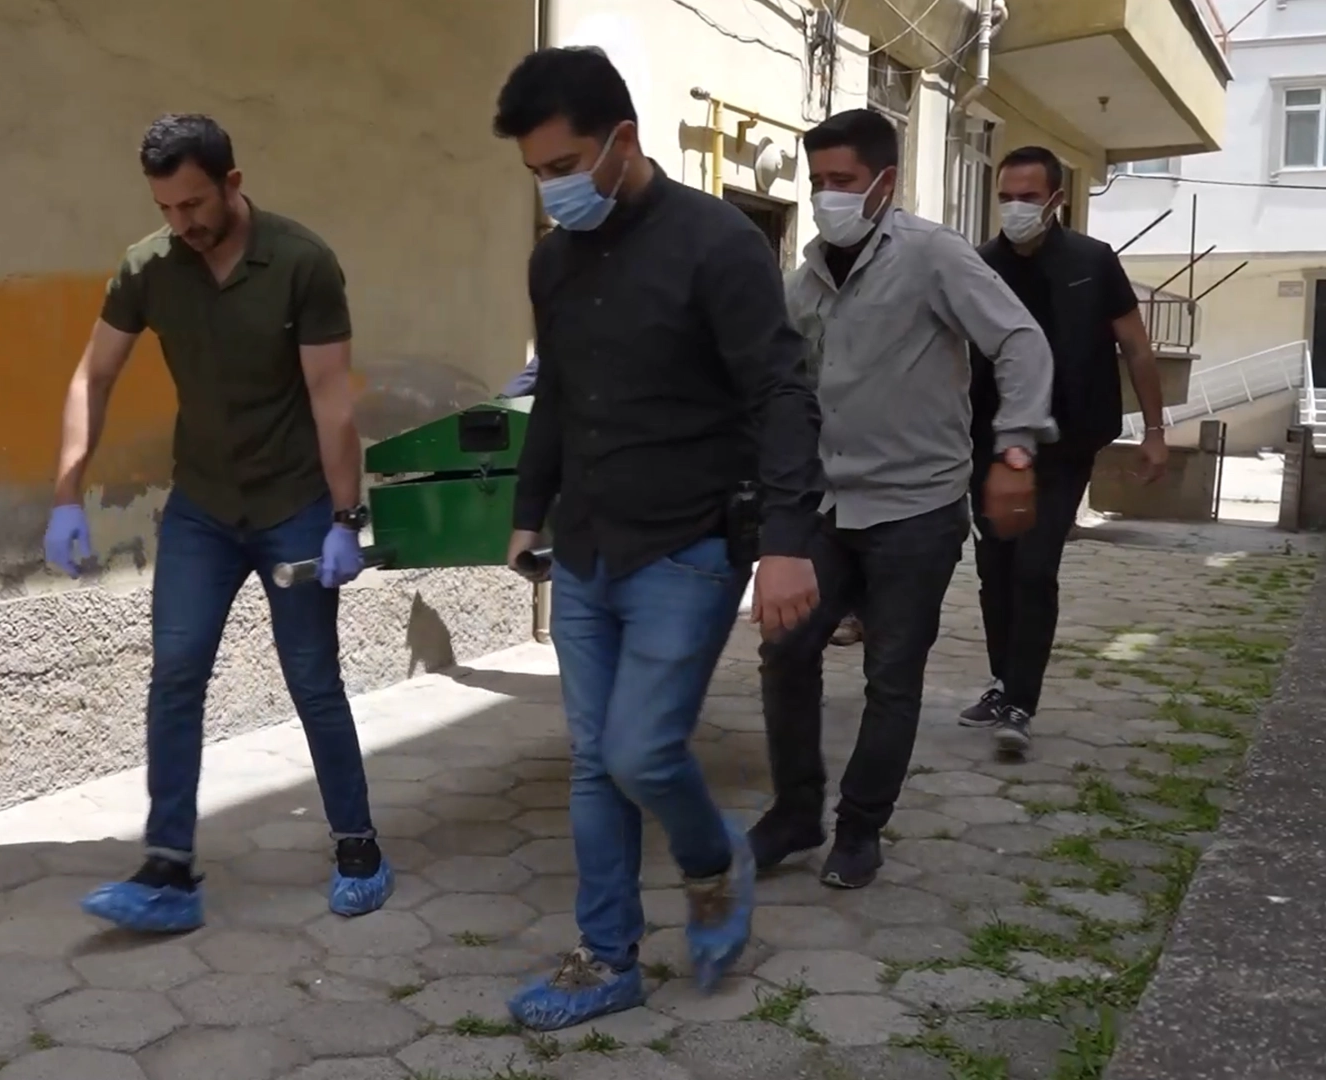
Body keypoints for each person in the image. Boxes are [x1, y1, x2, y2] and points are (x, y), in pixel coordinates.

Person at [493, 47, 824, 1030]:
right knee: (595, 760)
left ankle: (714, 860)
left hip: (687, 546)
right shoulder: (553, 261)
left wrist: (787, 541)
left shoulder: (718, 245)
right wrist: (527, 509)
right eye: (536, 173)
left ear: (623, 141)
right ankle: (608, 959)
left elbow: (781, 392)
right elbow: (558, 394)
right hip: (586, 546)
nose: (552, 190)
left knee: (639, 751)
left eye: (564, 166)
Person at [43, 113, 393, 933]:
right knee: (175, 673)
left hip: (294, 505)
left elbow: (331, 401)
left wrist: (346, 518)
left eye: (194, 204)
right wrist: (65, 493)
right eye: (166, 208)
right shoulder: (149, 267)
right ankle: (168, 872)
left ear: (232, 183)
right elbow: (92, 377)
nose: (182, 223)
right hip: (202, 507)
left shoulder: (301, 262)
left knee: (312, 678)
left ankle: (358, 846)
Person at [752, 108, 1055, 889]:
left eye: (843, 180)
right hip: (829, 507)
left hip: (916, 509)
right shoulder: (807, 278)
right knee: (786, 649)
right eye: (817, 181)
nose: (827, 196)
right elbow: (782, 384)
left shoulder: (932, 256)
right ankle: (795, 811)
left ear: (884, 181)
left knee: (891, 674)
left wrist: (1015, 446)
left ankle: (860, 827)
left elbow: (1019, 340)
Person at [958, 145, 1168, 755]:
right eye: (1005, 197)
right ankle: (1003, 682)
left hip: (1066, 442)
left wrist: (1155, 432)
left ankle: (1021, 702)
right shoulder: (980, 265)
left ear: (1056, 200)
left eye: (1028, 197)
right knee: (995, 569)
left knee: (1034, 567)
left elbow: (1137, 348)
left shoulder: (1092, 261)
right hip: (990, 442)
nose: (1015, 208)